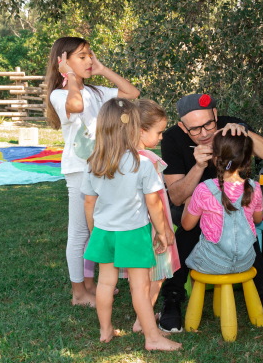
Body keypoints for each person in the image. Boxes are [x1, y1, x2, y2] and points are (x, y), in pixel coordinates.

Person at [159, 93, 263, 333]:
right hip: (190, 205)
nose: (205, 133)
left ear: (215, 114)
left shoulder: (231, 126)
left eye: (209, 124)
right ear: (182, 127)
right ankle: (172, 299)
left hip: (232, 205)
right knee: (190, 228)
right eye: (195, 130)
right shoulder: (172, 139)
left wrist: (245, 132)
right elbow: (175, 196)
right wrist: (198, 167)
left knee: (243, 225)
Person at [46, 36, 140, 307]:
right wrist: (71, 78)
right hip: (79, 169)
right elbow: (76, 106)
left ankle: (90, 285)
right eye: (82, 57)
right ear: (63, 62)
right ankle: (79, 293)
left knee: (97, 226)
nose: (89, 61)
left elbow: (131, 94)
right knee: (79, 231)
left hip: (103, 169)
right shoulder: (61, 93)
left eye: (90, 55)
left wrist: (103, 71)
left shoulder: (97, 91)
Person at [81, 99, 182, 350]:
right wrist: (163, 232)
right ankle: (152, 338)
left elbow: (89, 205)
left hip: (105, 233)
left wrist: (95, 232)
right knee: (140, 286)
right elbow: (154, 205)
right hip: (134, 233)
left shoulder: (94, 163)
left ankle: (105, 331)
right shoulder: (143, 164)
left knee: (105, 283)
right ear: (133, 128)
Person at [118, 99, 180, 332]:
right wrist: (165, 230)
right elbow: (155, 201)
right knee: (158, 275)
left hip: (135, 226)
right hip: (155, 227)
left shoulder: (124, 156)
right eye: (159, 132)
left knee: (141, 276)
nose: (162, 137)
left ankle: (140, 317)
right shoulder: (150, 161)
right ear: (142, 131)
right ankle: (140, 321)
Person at [181, 133, 263, 275]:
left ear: (216, 159)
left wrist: (188, 199)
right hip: (246, 261)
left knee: (192, 261)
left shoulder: (204, 189)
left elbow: (187, 225)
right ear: (246, 161)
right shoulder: (254, 188)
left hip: (212, 262)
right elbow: (258, 220)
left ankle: (196, 294)